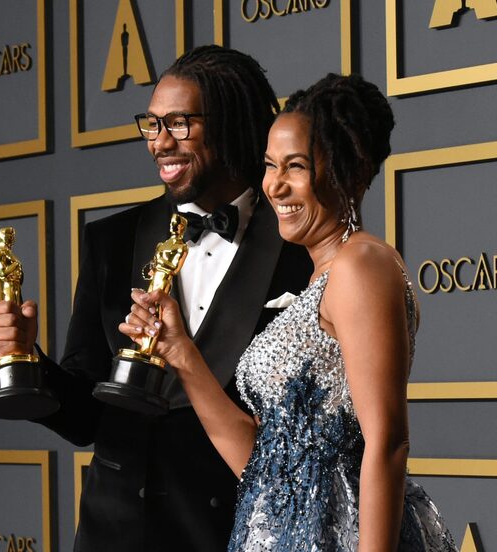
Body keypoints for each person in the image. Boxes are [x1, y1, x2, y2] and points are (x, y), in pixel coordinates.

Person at [0, 45, 313, 552]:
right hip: (115, 532)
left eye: (179, 124)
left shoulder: (300, 248)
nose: (159, 142)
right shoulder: (111, 241)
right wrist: (27, 357)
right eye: (151, 124)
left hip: (237, 534)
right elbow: (86, 417)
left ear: (231, 123)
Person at [121, 74, 459, 551]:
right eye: (269, 165)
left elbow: (388, 443)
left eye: (295, 167)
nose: (274, 186)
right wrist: (181, 352)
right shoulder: (320, 278)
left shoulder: (361, 265)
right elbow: (261, 464)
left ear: (352, 170)